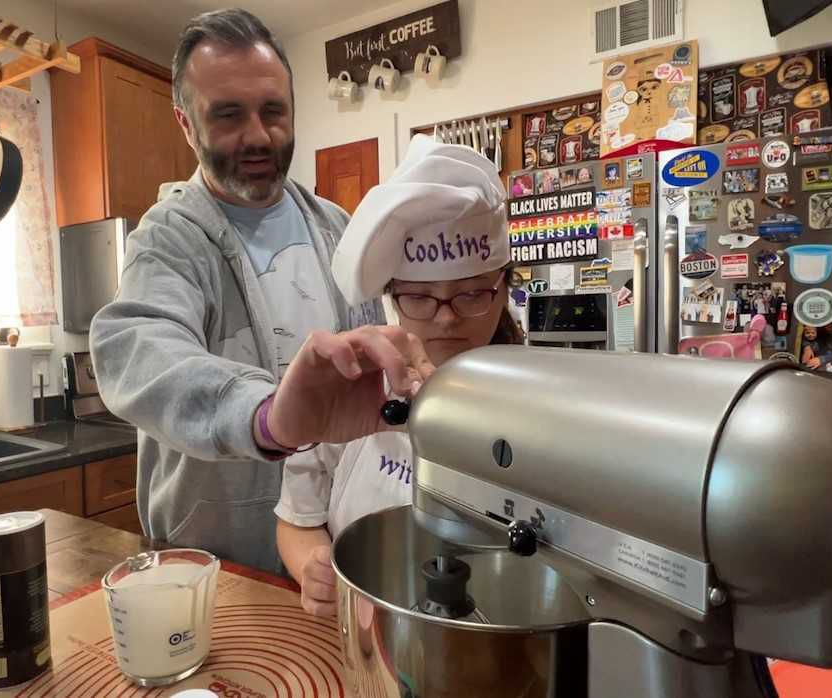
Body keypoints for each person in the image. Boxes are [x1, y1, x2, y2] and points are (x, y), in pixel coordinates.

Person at [89, 9, 383, 574]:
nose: (257, 135)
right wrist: (270, 416)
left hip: (333, 558)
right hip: (215, 569)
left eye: (273, 111)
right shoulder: (168, 239)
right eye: (228, 115)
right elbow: (137, 349)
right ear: (185, 122)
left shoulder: (337, 228)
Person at [272, 135, 523, 617]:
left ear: (503, 287)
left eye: (472, 294)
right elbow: (296, 519)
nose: (446, 319)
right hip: (369, 645)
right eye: (421, 297)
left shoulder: (541, 406)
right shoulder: (351, 389)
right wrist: (313, 568)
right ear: (391, 295)